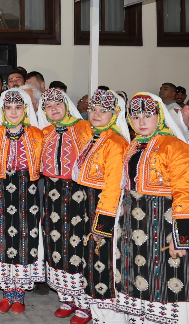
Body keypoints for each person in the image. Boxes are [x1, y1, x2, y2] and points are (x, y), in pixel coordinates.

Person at [92, 92, 189, 324]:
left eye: (147, 115)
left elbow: (188, 192)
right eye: (135, 117)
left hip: (164, 225)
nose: (141, 122)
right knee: (136, 279)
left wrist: (182, 237)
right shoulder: (132, 146)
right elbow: (117, 186)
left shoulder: (176, 147)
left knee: (165, 281)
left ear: (160, 117)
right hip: (132, 226)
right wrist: (107, 223)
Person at [0, 88, 44, 314]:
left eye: (18, 108)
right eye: (9, 108)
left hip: (29, 194)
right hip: (1, 194)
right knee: (2, 240)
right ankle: (7, 293)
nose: (13, 112)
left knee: (25, 239)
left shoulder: (37, 135)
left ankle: (20, 294)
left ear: (25, 109)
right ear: (3, 110)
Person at [71, 89, 128, 324]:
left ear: (114, 114)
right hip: (90, 206)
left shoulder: (115, 142)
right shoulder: (96, 137)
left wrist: (102, 224)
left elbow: (113, 186)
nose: (96, 114)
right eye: (93, 109)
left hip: (104, 209)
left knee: (104, 262)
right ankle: (97, 314)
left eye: (103, 111)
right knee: (92, 262)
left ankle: (109, 318)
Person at [35, 88, 93, 319]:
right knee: (55, 242)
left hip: (78, 194)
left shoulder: (84, 129)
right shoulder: (46, 131)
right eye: (48, 106)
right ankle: (65, 298)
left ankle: (84, 303)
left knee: (77, 244)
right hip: (52, 193)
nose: (54, 109)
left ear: (67, 105)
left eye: (58, 104)